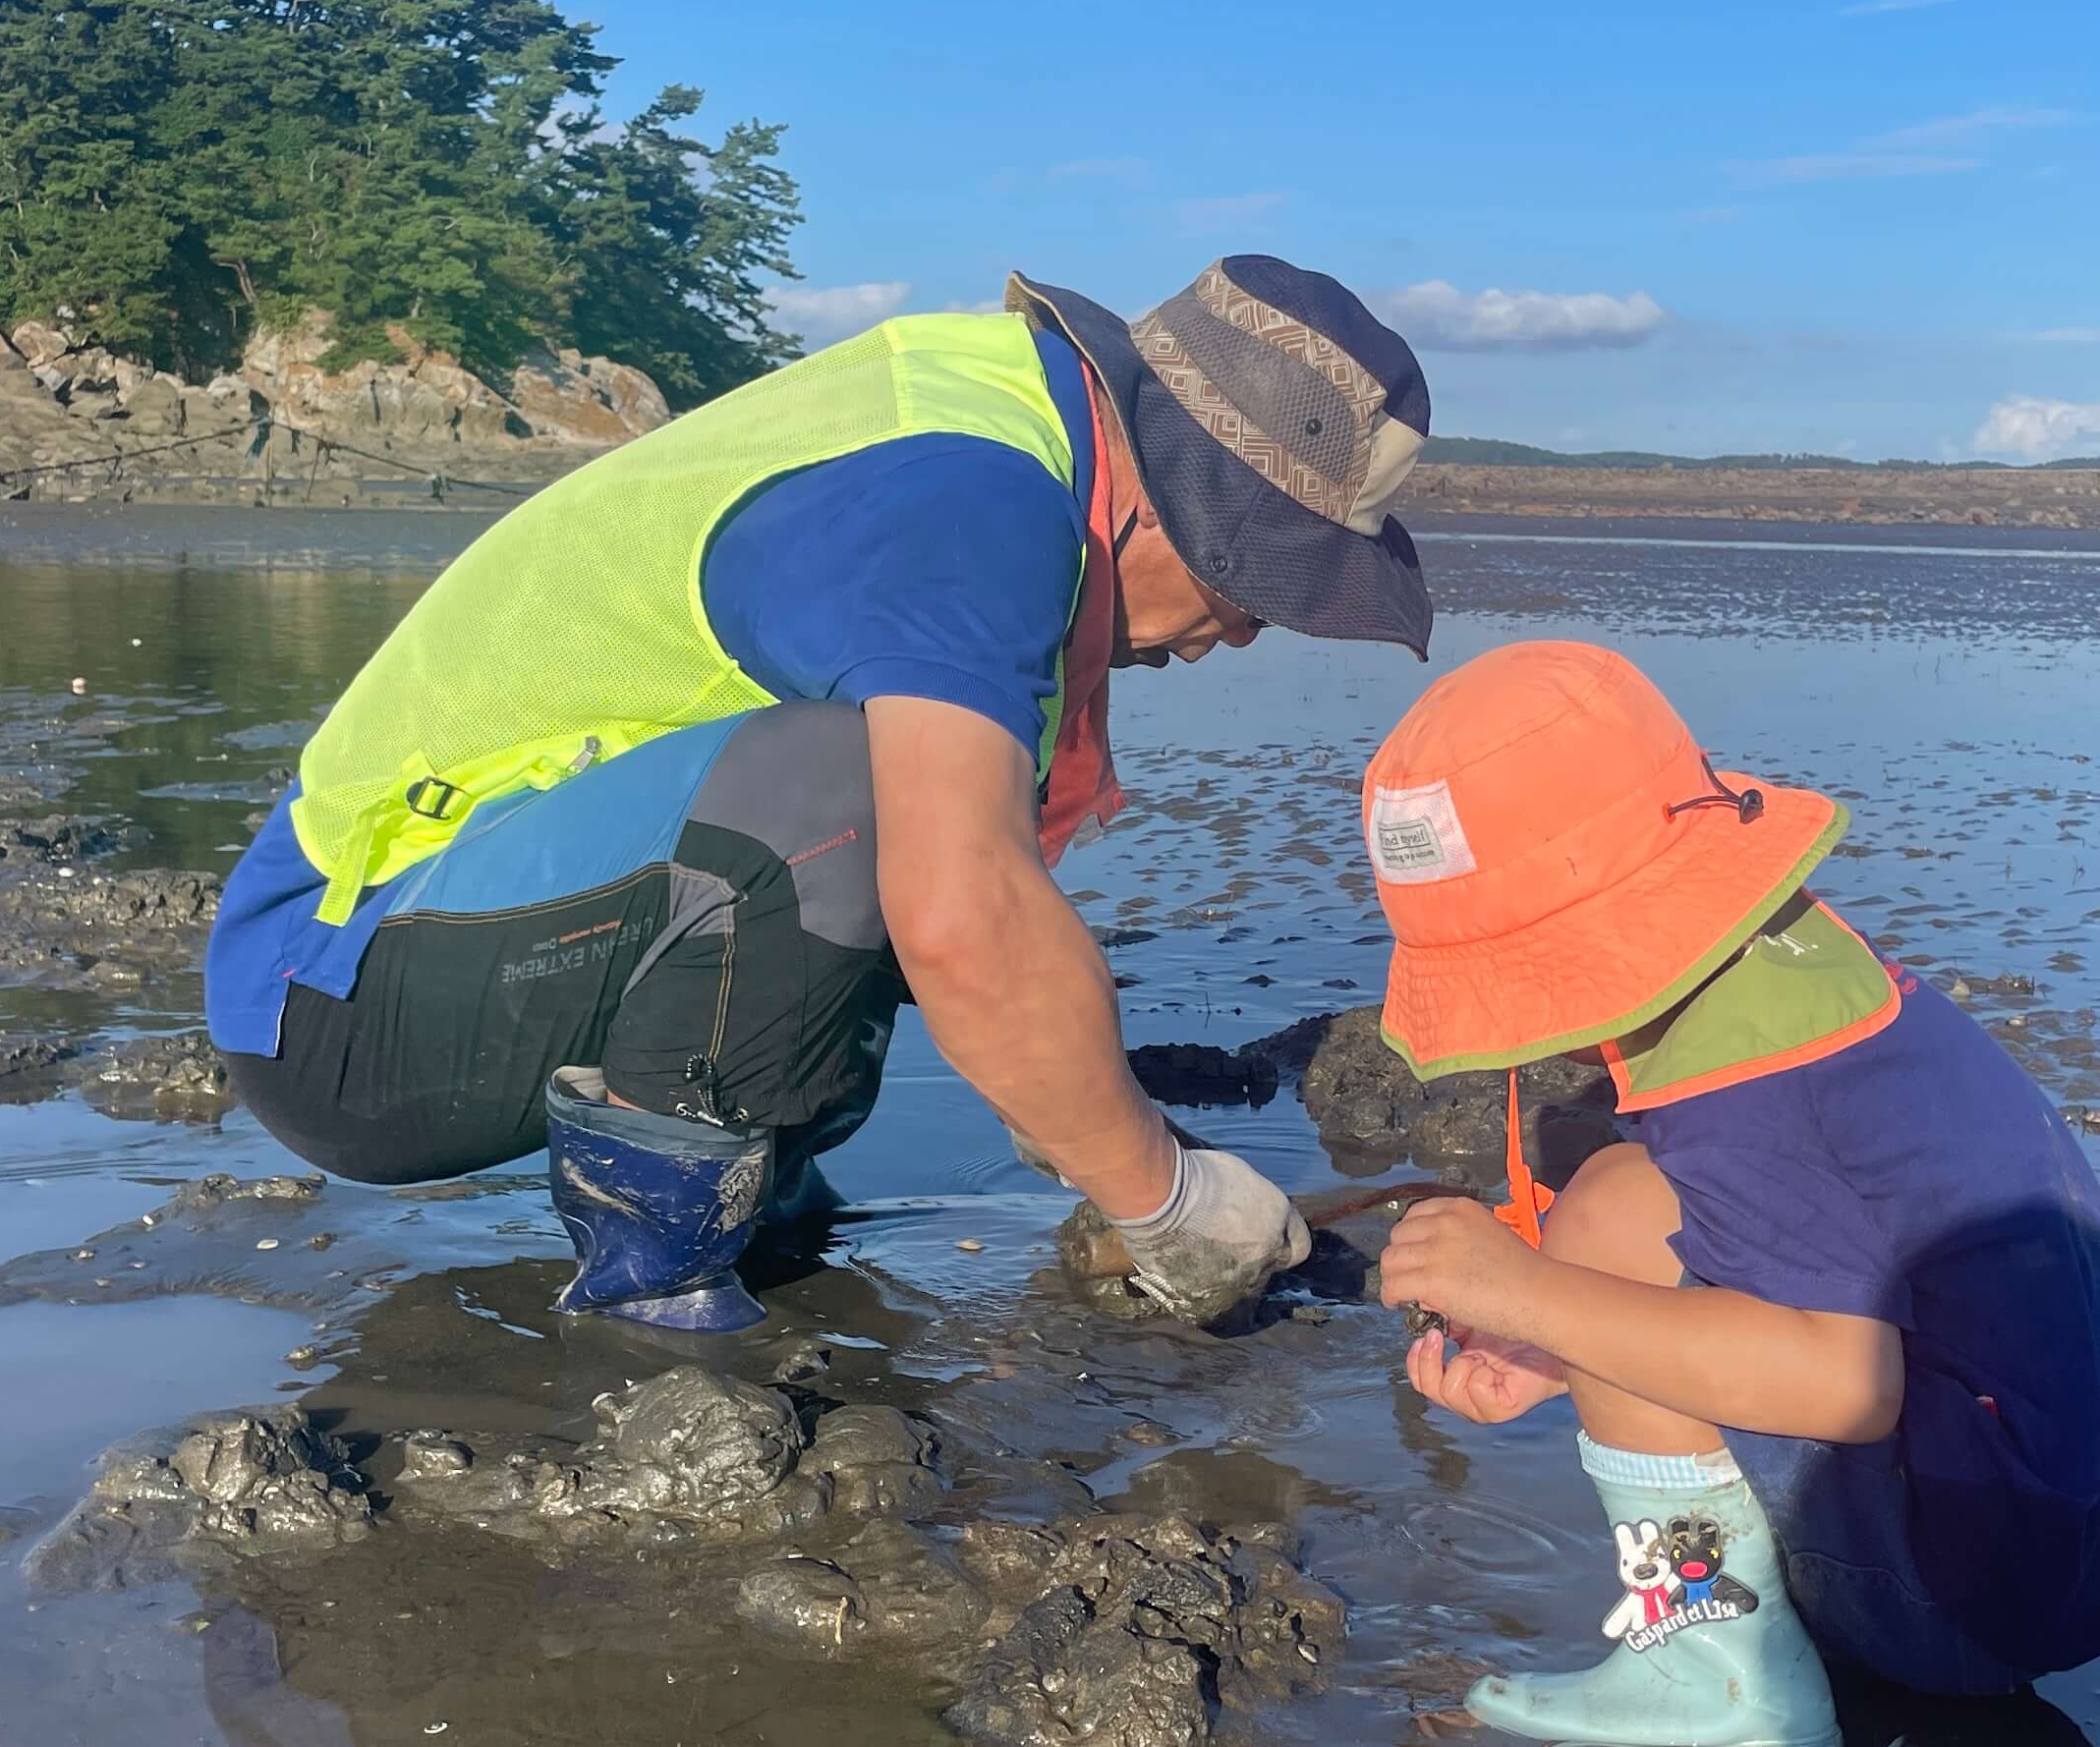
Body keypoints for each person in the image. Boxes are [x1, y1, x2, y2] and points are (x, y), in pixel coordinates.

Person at [203, 257, 1438, 1332]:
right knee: (850, 788)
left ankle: (763, 1213)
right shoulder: (974, 507)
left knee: (901, 803)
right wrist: (1163, 1198)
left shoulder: (1013, 432)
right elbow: (962, 917)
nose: (1244, 637)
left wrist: (1081, 1109)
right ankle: (653, 1299)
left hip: (447, 936)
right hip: (338, 1004)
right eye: (1259, 594)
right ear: (1185, 514)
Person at [1363, 642, 2100, 1747]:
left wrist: (1532, 1295)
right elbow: (1833, 1251)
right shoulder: (1793, 967)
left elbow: (1847, 1384)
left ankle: (1709, 1669)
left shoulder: (1734, 1089)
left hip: (1968, 1596)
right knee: (1620, 1211)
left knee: (1602, 1214)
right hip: (2092, 1547)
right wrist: (1567, 1353)